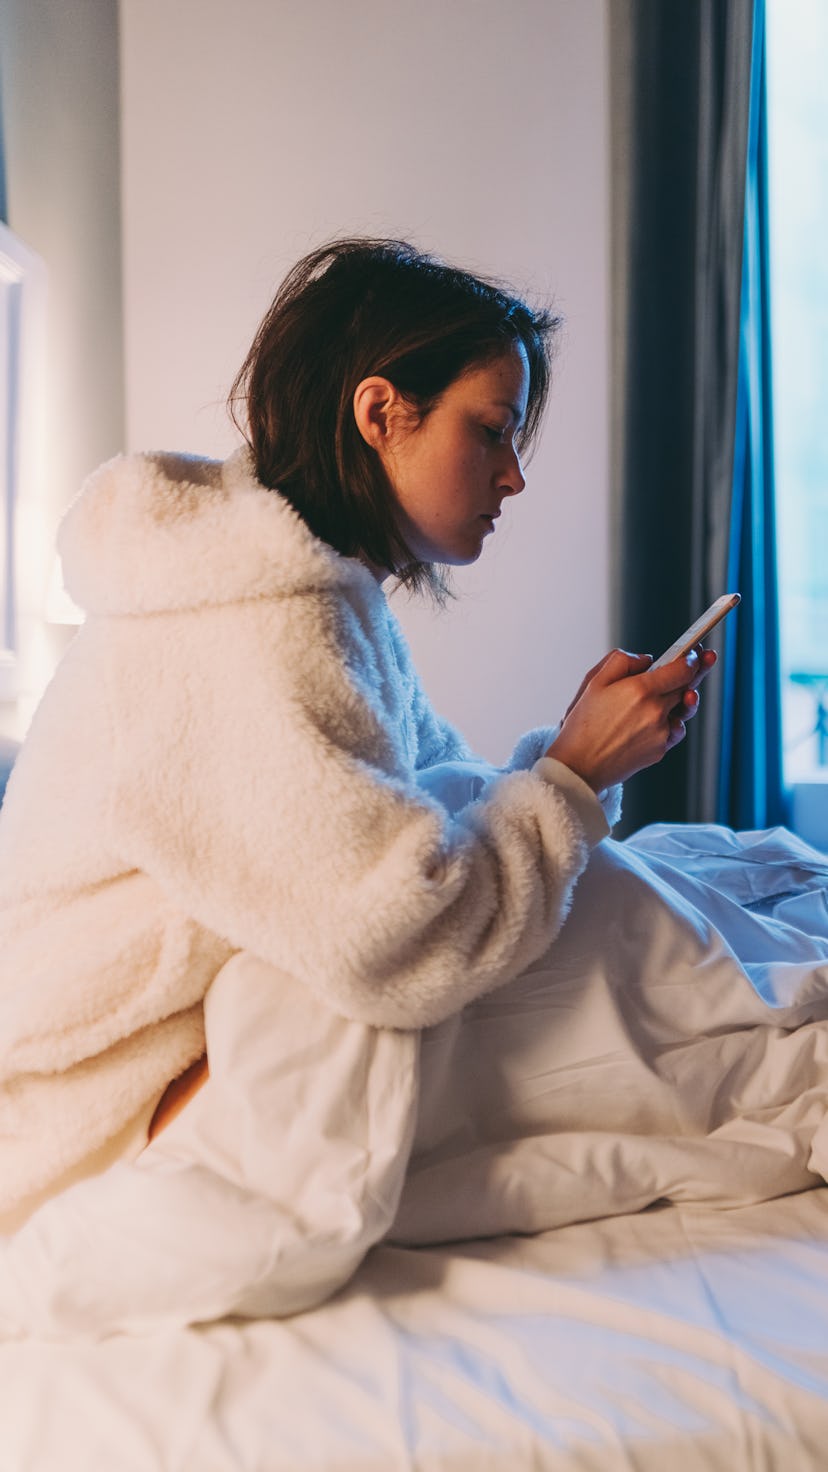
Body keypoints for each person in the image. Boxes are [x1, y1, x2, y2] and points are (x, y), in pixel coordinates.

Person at [2, 238, 826, 1336]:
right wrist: (573, 775)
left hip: (211, 1034)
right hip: (111, 1110)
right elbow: (401, 933)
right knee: (656, 965)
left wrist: (575, 759)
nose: (514, 474)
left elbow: (430, 799)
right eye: (491, 430)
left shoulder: (317, 594)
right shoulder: (237, 630)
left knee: (690, 901)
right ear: (382, 410)